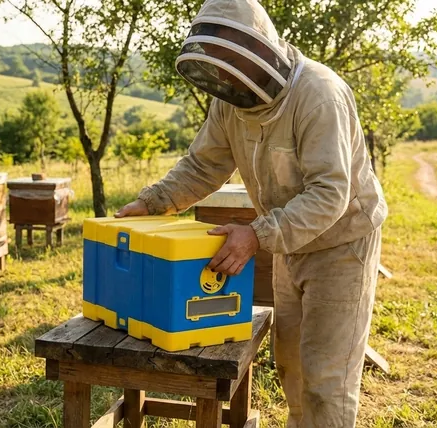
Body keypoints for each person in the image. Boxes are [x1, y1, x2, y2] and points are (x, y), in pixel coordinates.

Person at [114, 0, 388, 426]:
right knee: (291, 364)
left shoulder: (318, 94)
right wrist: (153, 201)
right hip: (287, 244)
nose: (222, 73)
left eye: (228, 59)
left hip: (342, 245)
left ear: (256, 48)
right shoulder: (230, 103)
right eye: (216, 61)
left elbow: (330, 192)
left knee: (326, 378)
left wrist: (257, 234)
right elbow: (204, 165)